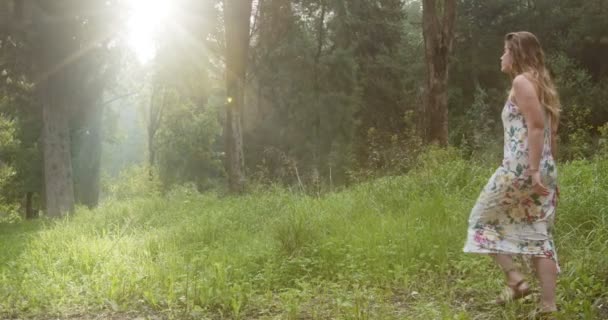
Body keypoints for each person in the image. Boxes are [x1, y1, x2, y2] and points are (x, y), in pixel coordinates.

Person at [463, 31, 561, 317]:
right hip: (539, 169)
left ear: (517, 54)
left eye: (505, 51)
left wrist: (532, 170)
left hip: (520, 168)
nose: (501, 56)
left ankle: (516, 279)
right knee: (538, 231)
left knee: (480, 220)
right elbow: (552, 133)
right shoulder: (541, 83)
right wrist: (548, 172)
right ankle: (548, 305)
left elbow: (537, 127)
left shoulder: (521, 82)